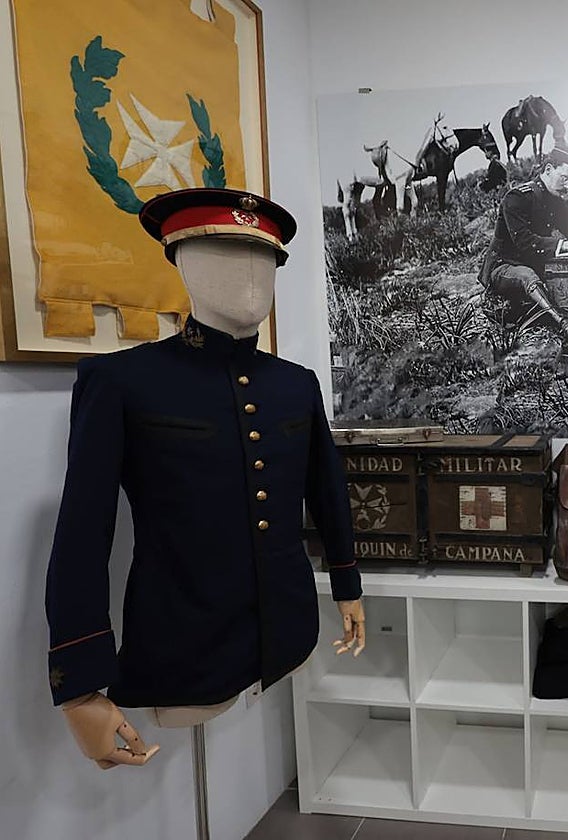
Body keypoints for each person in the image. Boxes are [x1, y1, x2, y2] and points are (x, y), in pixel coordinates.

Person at [46, 188, 366, 769]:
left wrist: (347, 583)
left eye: (264, 261)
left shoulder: (295, 383)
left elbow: (326, 490)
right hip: (184, 642)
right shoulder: (121, 381)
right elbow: (82, 536)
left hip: (286, 626)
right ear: (183, 262)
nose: (250, 276)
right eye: (224, 254)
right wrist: (80, 682)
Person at [480, 146, 568, 351]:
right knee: (527, 276)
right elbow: (524, 242)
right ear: (548, 170)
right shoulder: (517, 197)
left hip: (533, 263)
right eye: (565, 178)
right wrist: (563, 245)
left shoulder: (553, 199)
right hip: (504, 266)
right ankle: (564, 323)